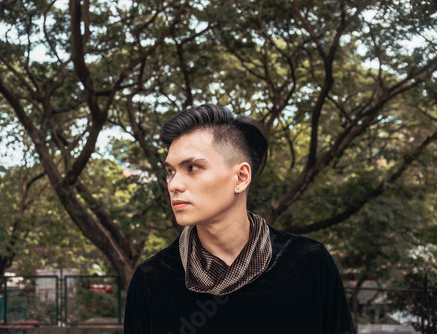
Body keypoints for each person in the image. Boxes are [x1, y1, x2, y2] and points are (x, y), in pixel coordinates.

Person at [124, 104, 355, 334]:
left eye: (192, 167)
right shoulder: (153, 279)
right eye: (170, 171)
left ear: (241, 177)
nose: (174, 185)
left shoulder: (308, 263)